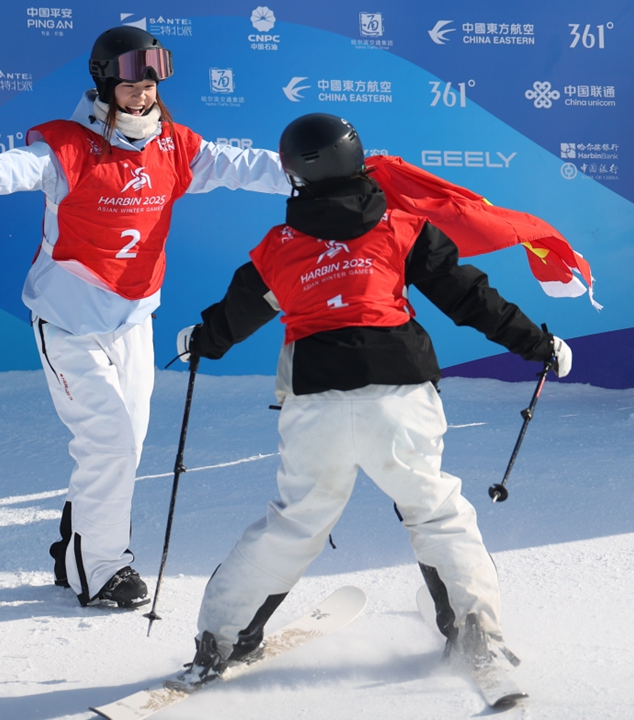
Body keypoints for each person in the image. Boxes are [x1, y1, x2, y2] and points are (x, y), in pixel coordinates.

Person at [171, 113, 573, 684]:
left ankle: (221, 640)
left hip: (316, 403)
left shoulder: (278, 246)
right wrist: (538, 342)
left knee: (296, 525)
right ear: (357, 159)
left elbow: (233, 318)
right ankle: (474, 631)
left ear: (292, 173)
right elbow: (471, 300)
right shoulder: (401, 226)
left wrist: (200, 340)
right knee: (435, 512)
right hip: (400, 393)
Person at [0, 26, 291, 609]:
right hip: (67, 321)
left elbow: (240, 164)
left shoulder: (175, 146)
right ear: (105, 82)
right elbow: (24, 166)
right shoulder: (69, 146)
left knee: (125, 444)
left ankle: (75, 543)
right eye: (133, 80)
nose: (145, 91)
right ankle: (102, 568)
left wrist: (312, 172)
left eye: (153, 79)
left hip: (134, 319)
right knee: (108, 439)